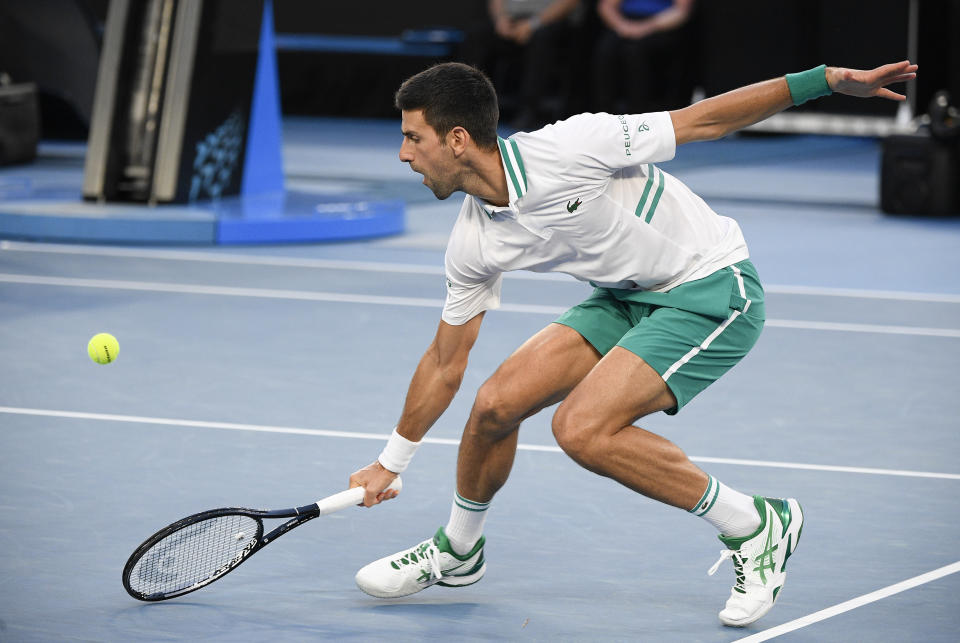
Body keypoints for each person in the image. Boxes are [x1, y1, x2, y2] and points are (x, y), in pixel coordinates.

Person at [348, 59, 917, 626]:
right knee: (496, 404)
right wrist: (388, 463)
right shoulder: (473, 242)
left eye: (412, 137)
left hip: (711, 285)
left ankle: (755, 523)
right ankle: (459, 551)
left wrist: (828, 81)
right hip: (626, 295)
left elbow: (704, 122)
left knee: (581, 429)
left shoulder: (573, 146)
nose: (403, 154)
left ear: (456, 139)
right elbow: (447, 362)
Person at [460, 0, 583, 129]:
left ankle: (529, 110)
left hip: (551, 21)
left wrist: (533, 24)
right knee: (477, 34)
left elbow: (570, 2)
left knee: (542, 38)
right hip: (511, 20)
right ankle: (468, 106)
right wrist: (500, 18)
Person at [592, 0, 697, 113]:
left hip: (662, 24)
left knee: (634, 52)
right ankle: (604, 113)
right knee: (606, 50)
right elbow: (606, 6)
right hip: (625, 22)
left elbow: (682, 11)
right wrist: (623, 26)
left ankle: (639, 114)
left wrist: (646, 27)